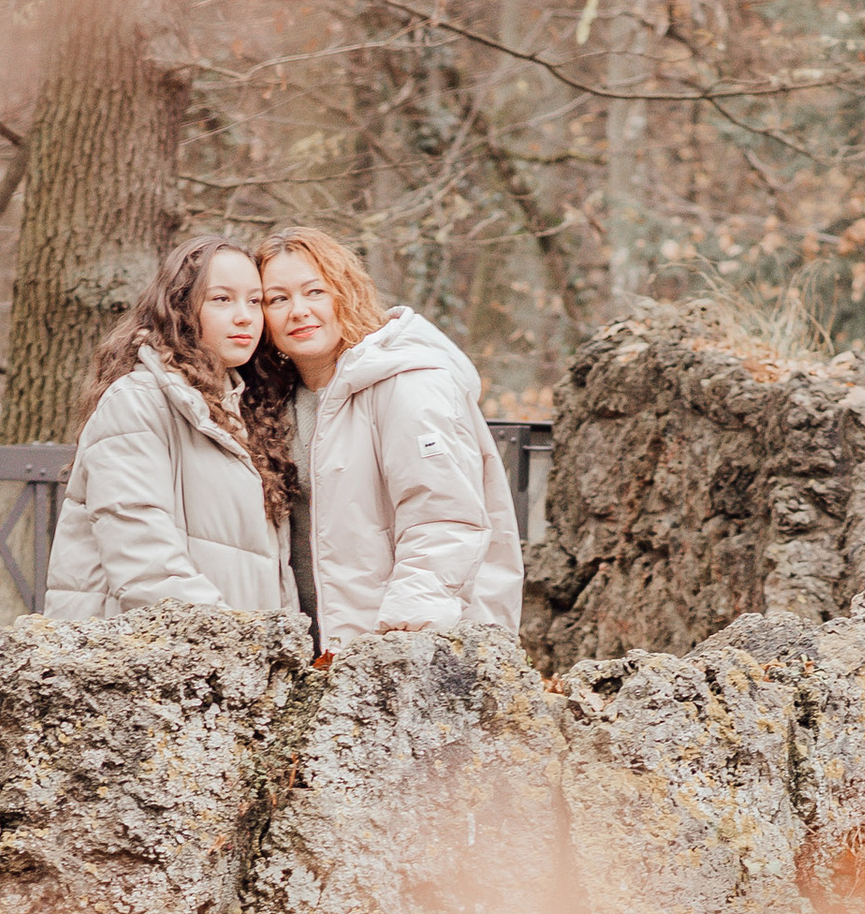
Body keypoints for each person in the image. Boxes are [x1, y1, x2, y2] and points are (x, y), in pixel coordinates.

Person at [253, 225, 523, 645]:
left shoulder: (407, 383)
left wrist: (403, 633)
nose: (299, 310)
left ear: (345, 293)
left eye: (314, 291)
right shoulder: (275, 400)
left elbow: (444, 518)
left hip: (402, 644)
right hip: (313, 650)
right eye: (278, 299)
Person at [42, 234, 298, 624]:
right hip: (153, 650)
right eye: (222, 299)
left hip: (229, 652)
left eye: (255, 301)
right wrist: (227, 639)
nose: (245, 316)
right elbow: (143, 559)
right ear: (180, 308)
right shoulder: (136, 401)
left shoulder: (247, 411)